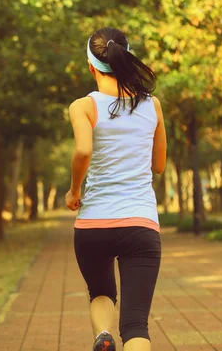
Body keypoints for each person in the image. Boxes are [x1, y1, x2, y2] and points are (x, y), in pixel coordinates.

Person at [65, 27, 166, 351]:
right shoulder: (153, 105)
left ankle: (102, 337)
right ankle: (120, 337)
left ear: (91, 65)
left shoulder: (83, 106)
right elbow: (159, 165)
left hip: (93, 225)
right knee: (136, 323)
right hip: (140, 224)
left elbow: (82, 152)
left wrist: (73, 191)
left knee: (102, 293)